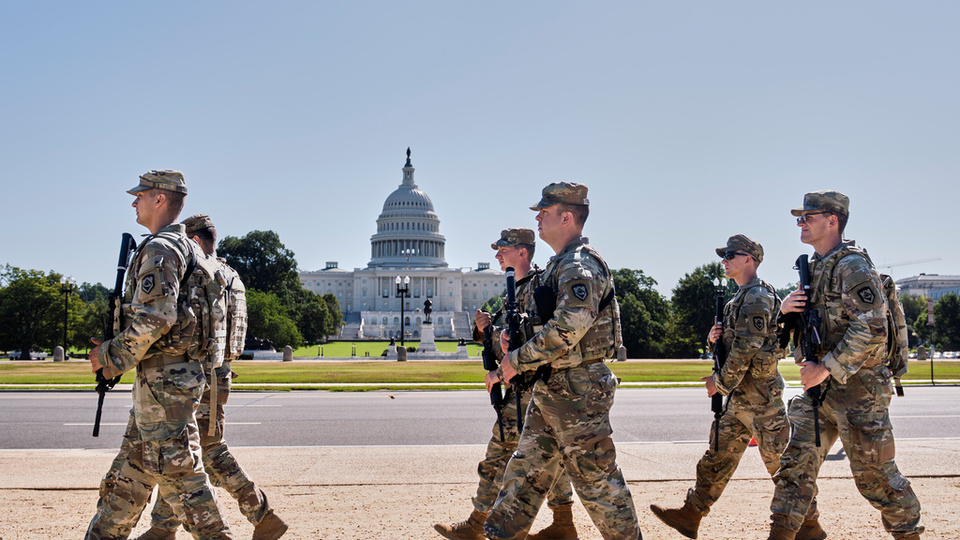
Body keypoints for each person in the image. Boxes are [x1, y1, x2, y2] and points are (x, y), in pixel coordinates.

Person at [483, 183, 642, 540]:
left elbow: (569, 326)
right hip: (553, 387)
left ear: (567, 217)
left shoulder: (579, 265)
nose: (537, 218)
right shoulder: (559, 265)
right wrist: (513, 339)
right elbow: (548, 323)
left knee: (596, 481)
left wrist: (517, 360)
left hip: (578, 390)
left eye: (545, 212)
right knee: (525, 472)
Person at [768, 190, 924, 540]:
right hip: (819, 393)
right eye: (800, 218)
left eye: (808, 217)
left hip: (859, 391)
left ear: (832, 220)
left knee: (875, 479)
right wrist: (784, 312)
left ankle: (910, 535)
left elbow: (872, 327)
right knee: (794, 470)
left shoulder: (852, 266)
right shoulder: (814, 268)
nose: (800, 223)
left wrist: (824, 367)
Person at [86, 171, 233, 540]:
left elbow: (156, 317)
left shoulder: (161, 248)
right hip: (166, 382)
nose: (134, 201)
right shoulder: (185, 247)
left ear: (160, 199)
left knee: (184, 484)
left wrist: (108, 356)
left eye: (141, 194)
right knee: (126, 481)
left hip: (165, 387)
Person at [135, 214, 288, 540]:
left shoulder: (202, 273)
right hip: (218, 372)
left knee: (205, 451)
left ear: (194, 240)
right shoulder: (230, 275)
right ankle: (162, 528)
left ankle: (264, 516)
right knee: (182, 451)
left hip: (198, 373)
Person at [651, 235, 803, 538]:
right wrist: (713, 340)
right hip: (739, 399)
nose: (724, 260)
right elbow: (734, 345)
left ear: (749, 259)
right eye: (724, 255)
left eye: (730, 255)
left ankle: (808, 525)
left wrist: (718, 384)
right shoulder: (739, 299)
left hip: (762, 400)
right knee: (717, 457)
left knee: (782, 466)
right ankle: (691, 515)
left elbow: (746, 350)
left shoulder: (757, 296)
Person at [434, 228, 578, 540]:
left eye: (503, 249)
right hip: (525, 388)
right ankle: (563, 524)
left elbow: (544, 340)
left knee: (498, 456)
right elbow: (510, 343)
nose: (497, 255)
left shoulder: (541, 289)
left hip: (534, 388)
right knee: (551, 457)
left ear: (522, 252)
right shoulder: (515, 291)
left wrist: (499, 371)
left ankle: (477, 525)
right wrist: (486, 330)